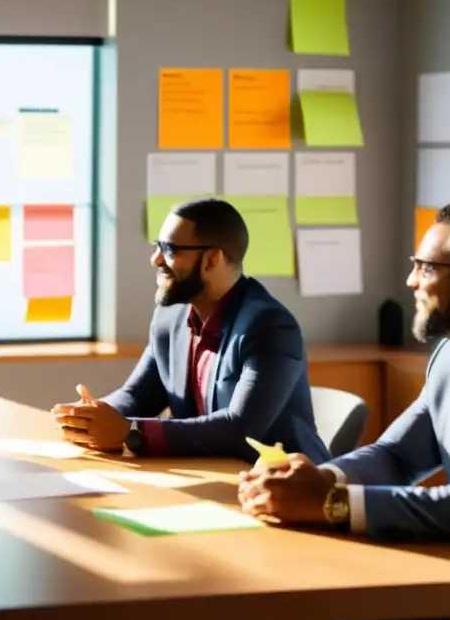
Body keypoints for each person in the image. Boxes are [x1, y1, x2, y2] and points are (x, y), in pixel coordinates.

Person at [238, 201, 450, 620]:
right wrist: (315, 480)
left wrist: (331, 503)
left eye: (425, 267)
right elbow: (398, 456)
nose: (411, 280)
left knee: (355, 613)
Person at [54, 198, 329, 463]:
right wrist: (89, 417)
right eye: (157, 246)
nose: (156, 259)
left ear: (211, 259)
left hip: (291, 489)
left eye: (170, 249)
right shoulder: (170, 316)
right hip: (215, 476)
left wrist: (129, 432)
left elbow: (239, 430)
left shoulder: (270, 327)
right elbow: (138, 396)